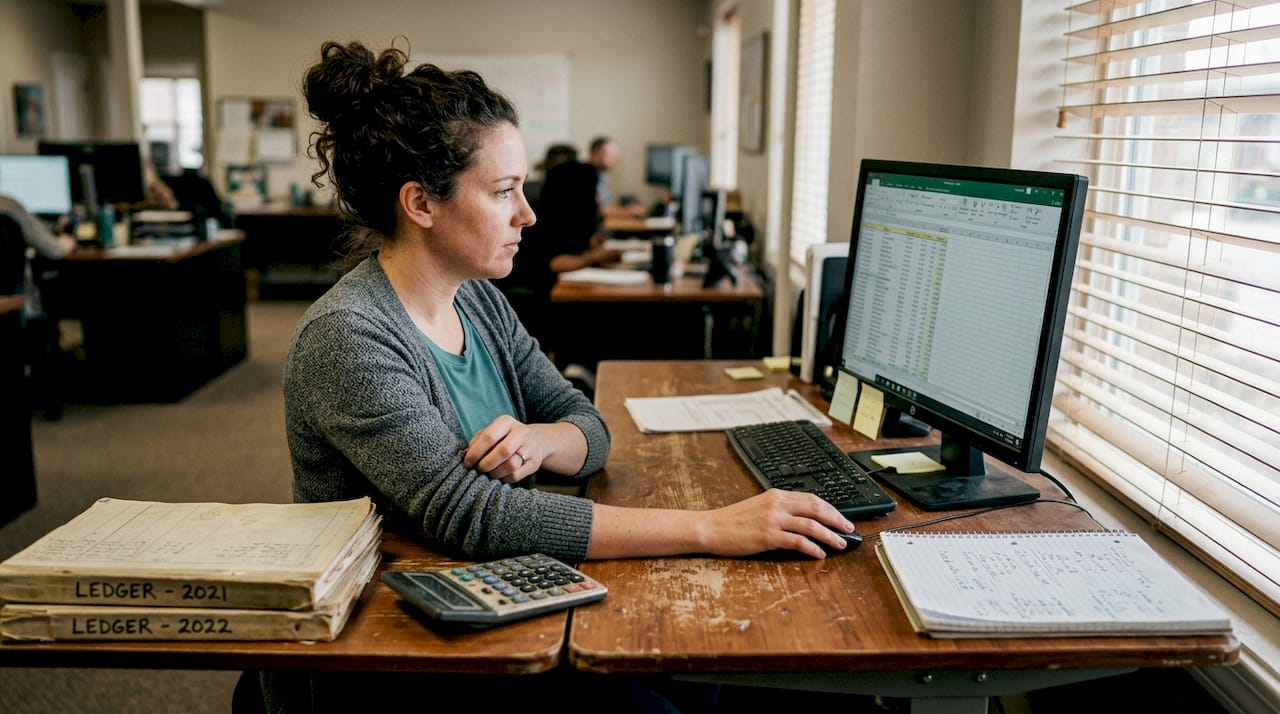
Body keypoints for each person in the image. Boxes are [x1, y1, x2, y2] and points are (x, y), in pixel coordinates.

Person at [256, 39, 856, 712]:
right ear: (420, 203)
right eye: (504, 192)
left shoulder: (477, 299)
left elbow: (587, 425)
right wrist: (712, 527)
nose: (528, 216)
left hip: (495, 603)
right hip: (393, 652)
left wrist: (542, 441)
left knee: (718, 669)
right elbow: (475, 516)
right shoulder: (350, 338)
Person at [587, 135, 649, 219]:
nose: (615, 159)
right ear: (597, 154)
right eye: (611, 155)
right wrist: (629, 211)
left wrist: (625, 209)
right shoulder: (586, 176)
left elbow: (606, 205)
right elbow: (599, 210)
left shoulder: (601, 175)